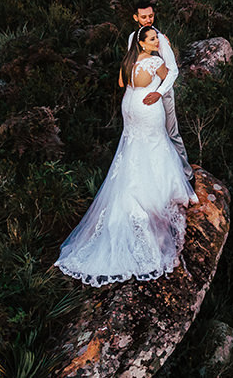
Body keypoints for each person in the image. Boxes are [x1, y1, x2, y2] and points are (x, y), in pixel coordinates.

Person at [55, 26, 198, 286]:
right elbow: (169, 78)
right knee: (155, 146)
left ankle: (135, 190)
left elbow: (122, 83)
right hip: (147, 108)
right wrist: (159, 90)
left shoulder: (128, 60)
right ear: (143, 43)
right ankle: (153, 194)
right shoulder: (155, 62)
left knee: (132, 149)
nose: (157, 42)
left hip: (129, 107)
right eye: (153, 38)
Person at [129, 1, 192, 180]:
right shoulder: (132, 38)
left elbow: (173, 70)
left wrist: (160, 92)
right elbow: (131, 66)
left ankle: (187, 175)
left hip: (162, 94)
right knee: (146, 137)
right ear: (136, 18)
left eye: (151, 16)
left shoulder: (160, 38)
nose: (148, 19)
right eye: (143, 17)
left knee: (171, 133)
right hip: (141, 97)